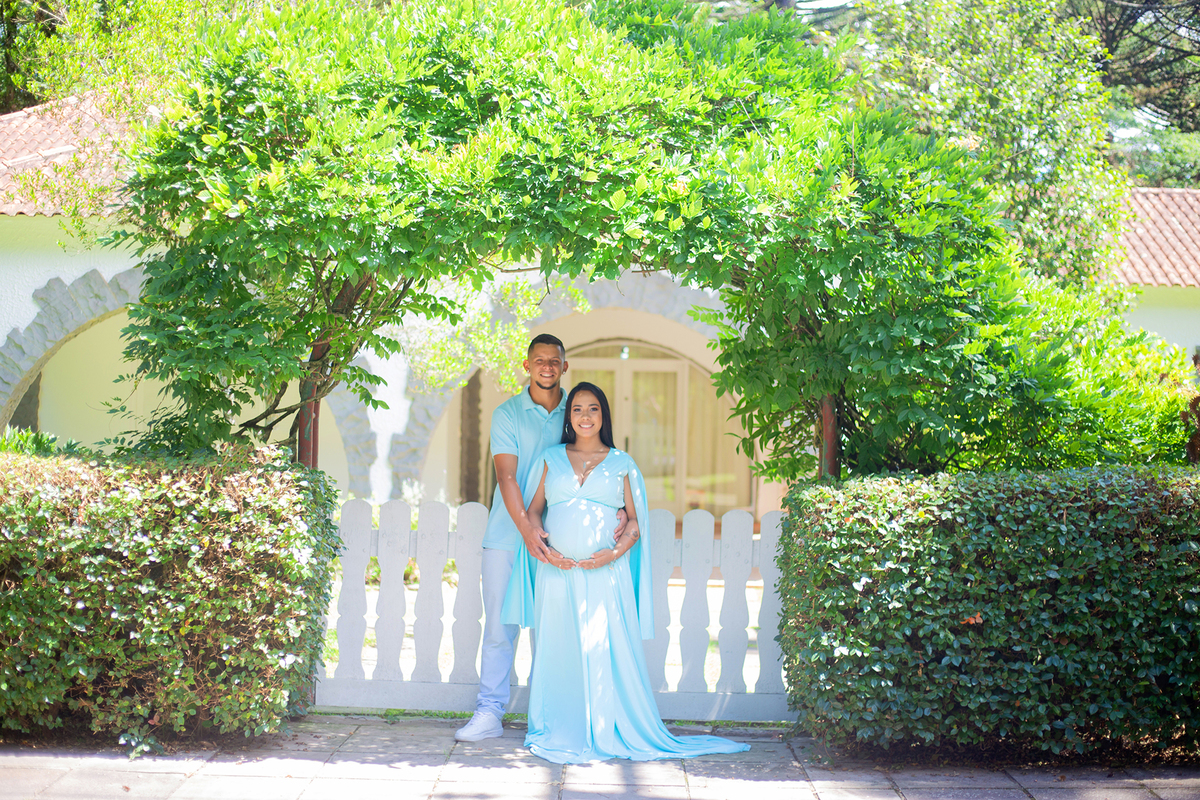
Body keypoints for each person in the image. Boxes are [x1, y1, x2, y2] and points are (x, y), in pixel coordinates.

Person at [501, 382, 750, 763]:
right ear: (569, 418)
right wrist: (544, 549)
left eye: (593, 409)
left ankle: (607, 726)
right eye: (578, 409)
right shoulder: (551, 459)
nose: (585, 416)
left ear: (604, 416)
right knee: (558, 650)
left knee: (604, 650)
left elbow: (635, 523)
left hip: (605, 575)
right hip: (558, 574)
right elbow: (533, 510)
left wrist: (612, 553)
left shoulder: (622, 463)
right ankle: (559, 725)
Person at [455, 335, 632, 742]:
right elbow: (506, 476)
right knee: (501, 626)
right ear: (527, 365)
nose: (547, 367)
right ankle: (489, 712)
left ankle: (549, 714)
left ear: (564, 367)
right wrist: (528, 529)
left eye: (554, 361)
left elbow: (600, 459)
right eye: (539, 360)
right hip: (507, 535)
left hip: (561, 542)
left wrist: (621, 508)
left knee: (554, 630)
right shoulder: (507, 413)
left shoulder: (576, 412)